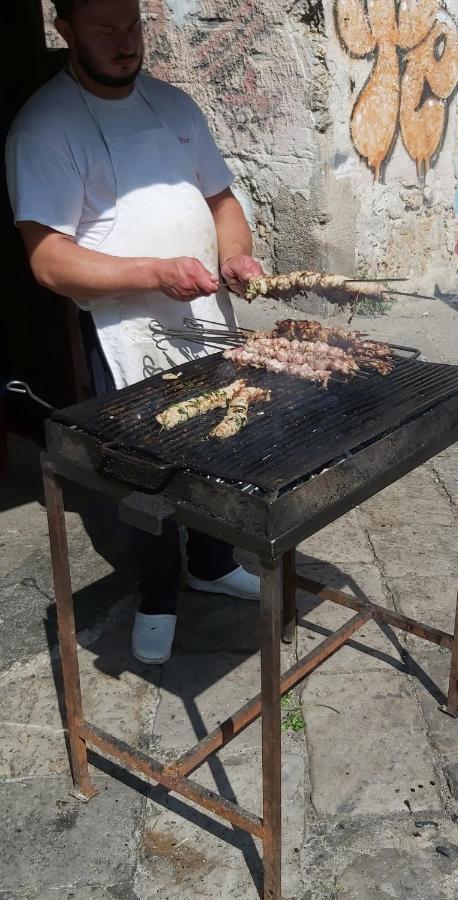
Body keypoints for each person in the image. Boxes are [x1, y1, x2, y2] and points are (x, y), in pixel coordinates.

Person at [6, 0, 266, 664]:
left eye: (133, 26)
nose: (125, 43)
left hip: (204, 316)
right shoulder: (45, 127)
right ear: (64, 31)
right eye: (104, 30)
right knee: (144, 474)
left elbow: (221, 202)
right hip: (124, 332)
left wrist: (233, 255)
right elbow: (48, 258)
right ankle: (157, 592)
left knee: (217, 443)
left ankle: (210, 560)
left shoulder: (174, 106)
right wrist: (152, 271)